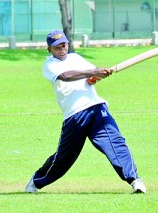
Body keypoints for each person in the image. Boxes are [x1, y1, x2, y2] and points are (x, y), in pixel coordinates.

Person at [25, 30, 146, 194]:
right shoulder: (49, 65)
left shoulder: (75, 58)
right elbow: (66, 76)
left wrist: (96, 76)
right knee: (64, 158)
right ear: (49, 50)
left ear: (68, 44)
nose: (61, 49)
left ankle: (135, 180)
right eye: (57, 47)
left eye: (64, 45)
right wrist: (92, 73)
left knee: (116, 144)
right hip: (75, 116)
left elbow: (92, 74)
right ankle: (36, 181)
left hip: (96, 108)